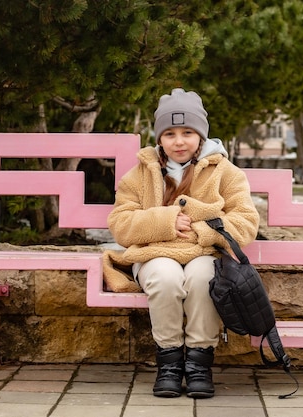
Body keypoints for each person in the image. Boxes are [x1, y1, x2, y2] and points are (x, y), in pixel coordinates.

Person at [105, 88, 260, 398]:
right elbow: (121, 225)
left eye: (188, 132)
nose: (179, 141)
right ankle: (170, 363)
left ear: (200, 135)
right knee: (166, 277)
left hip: (204, 252)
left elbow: (245, 221)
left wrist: (205, 231)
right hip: (154, 255)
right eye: (170, 133)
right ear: (159, 138)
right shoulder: (139, 175)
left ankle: (199, 363)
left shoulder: (225, 173)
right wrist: (165, 222)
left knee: (204, 278)